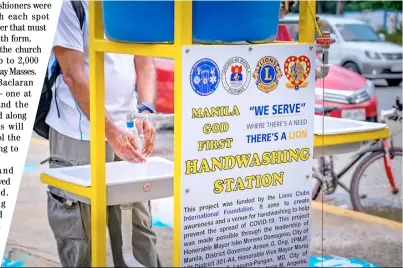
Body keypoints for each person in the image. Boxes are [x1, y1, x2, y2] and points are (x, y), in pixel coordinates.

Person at [45, 0, 160, 267]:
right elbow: (73, 74)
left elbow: (144, 61)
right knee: (80, 235)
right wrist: (110, 132)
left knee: (138, 231)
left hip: (129, 131)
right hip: (78, 134)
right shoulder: (69, 5)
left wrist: (145, 109)